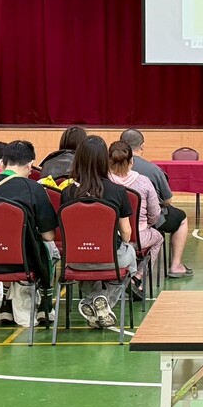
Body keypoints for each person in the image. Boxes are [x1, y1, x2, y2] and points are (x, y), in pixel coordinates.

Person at [0, 140, 59, 327]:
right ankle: (45, 305)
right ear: (30, 165)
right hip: (23, 263)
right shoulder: (34, 189)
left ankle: (6, 304)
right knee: (49, 249)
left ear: (1, 163)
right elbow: (48, 235)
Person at [62, 136, 137, 328]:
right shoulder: (118, 191)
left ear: (78, 159)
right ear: (105, 160)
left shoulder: (67, 193)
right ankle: (102, 300)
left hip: (76, 260)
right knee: (130, 254)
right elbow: (126, 233)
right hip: (111, 259)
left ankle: (95, 302)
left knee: (90, 267)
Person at [120, 129, 194, 279]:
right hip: (147, 222)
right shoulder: (153, 170)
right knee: (181, 218)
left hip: (116, 223)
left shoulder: (108, 169)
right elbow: (167, 200)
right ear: (142, 145)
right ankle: (176, 265)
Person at [108, 139, 164, 297]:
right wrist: (148, 224)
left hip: (109, 239)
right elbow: (155, 213)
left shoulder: (103, 183)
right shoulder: (144, 182)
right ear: (131, 161)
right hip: (138, 236)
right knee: (158, 239)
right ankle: (137, 277)